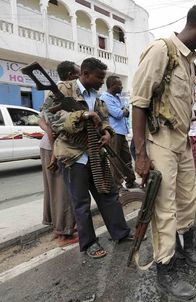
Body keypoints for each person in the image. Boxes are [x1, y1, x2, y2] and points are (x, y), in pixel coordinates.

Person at [130, 4, 196, 299]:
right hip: (161, 142)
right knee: (164, 208)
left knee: (188, 199)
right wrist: (141, 154)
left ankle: (185, 249)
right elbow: (139, 102)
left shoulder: (189, 62)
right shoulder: (162, 50)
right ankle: (165, 269)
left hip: (181, 141)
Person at [44, 57, 132, 259]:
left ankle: (120, 233)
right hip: (73, 156)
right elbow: (51, 118)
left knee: (108, 194)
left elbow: (104, 119)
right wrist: (82, 116)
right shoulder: (63, 90)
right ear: (84, 74)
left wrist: (108, 132)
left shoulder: (96, 96)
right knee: (81, 203)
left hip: (96, 153)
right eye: (99, 77)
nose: (102, 81)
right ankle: (89, 243)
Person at [39, 60, 79, 247]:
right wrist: (55, 153)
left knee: (53, 190)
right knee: (62, 190)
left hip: (47, 145)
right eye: (78, 74)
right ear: (72, 75)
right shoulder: (63, 90)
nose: (80, 77)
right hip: (54, 147)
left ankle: (58, 227)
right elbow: (53, 124)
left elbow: (42, 118)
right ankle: (64, 234)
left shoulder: (55, 90)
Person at [100, 76, 138, 193]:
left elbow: (125, 111)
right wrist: (123, 111)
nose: (121, 87)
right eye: (119, 85)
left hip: (121, 131)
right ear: (112, 85)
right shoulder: (105, 98)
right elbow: (118, 113)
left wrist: (124, 111)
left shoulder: (117, 97)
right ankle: (117, 185)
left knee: (126, 157)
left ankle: (130, 181)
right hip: (113, 133)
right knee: (115, 159)